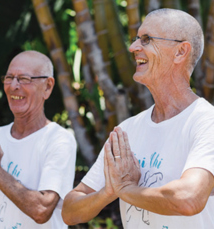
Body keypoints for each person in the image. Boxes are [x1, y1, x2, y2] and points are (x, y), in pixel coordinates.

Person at [62, 8, 214, 229]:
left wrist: (125, 189)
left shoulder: (206, 122)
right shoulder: (128, 129)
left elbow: (189, 198)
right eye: (136, 39)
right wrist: (108, 191)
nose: (133, 48)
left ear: (181, 52)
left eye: (147, 40)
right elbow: (69, 211)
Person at [0, 50, 77, 229]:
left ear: (48, 87)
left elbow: (42, 210)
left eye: (24, 79)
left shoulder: (59, 140)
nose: (13, 86)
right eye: (9, 77)